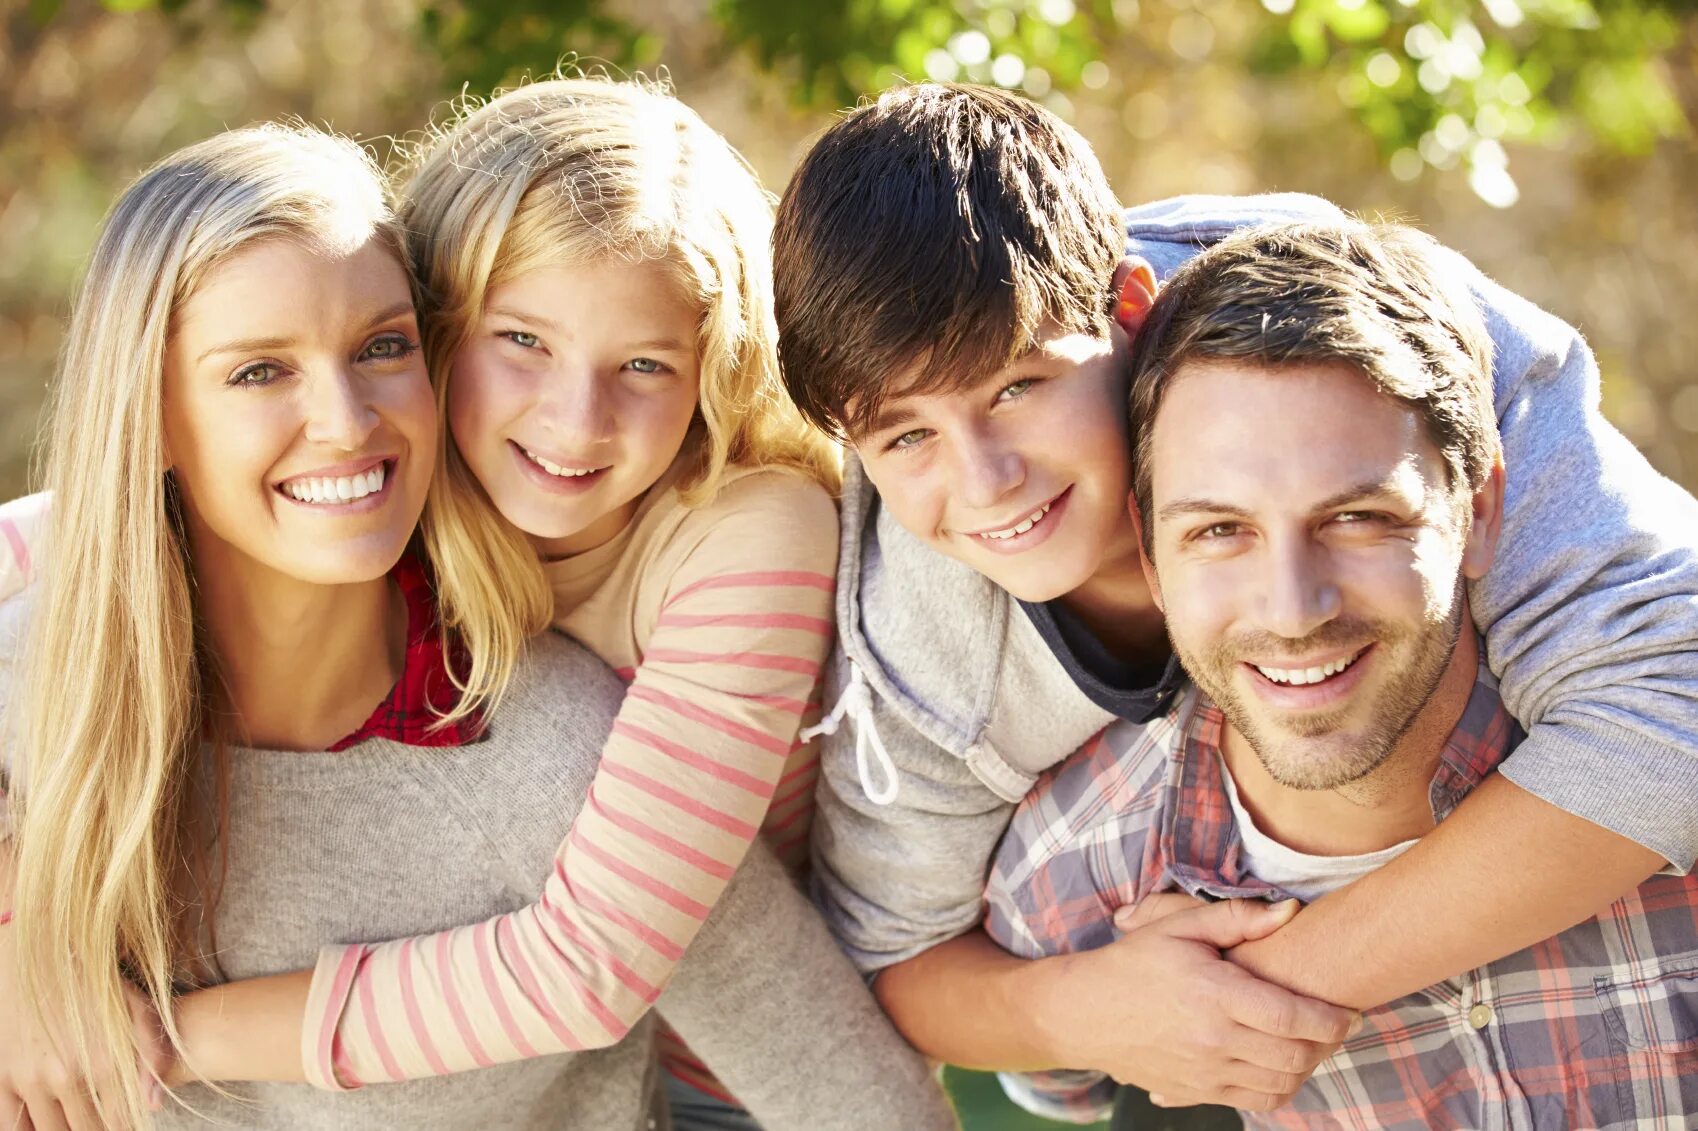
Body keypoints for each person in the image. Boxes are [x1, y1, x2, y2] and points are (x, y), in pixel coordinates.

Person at [0, 120, 952, 1131]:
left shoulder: (570, 754)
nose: (346, 419)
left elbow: (818, 1079)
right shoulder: (40, 679)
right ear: (144, 414)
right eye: (258, 372)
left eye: (380, 348)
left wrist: (142, 1038)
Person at [774, 83, 1696, 1110]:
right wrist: (1087, 1012)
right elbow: (888, 963)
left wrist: (1264, 993)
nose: (988, 480)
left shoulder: (1379, 345)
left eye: (1016, 389)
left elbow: (1673, 706)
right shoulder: (926, 661)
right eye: (906, 436)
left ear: (1127, 308)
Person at [985, 218, 1698, 1129]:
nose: (1292, 609)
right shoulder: (1076, 870)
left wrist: (1249, 992)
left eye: (1357, 518)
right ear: (1152, 556)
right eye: (1218, 530)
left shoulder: (1642, 720)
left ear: (1478, 510)